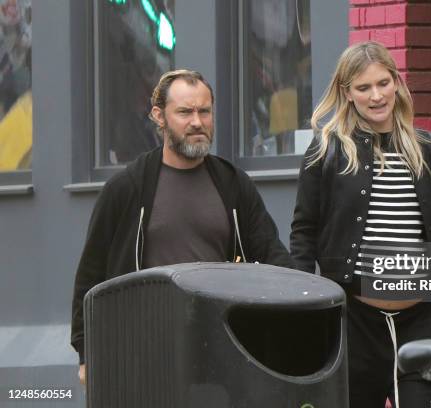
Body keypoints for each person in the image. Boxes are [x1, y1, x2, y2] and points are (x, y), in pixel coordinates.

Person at [290, 42, 431, 407]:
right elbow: (304, 233)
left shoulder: (429, 149)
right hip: (355, 323)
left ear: (396, 82)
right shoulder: (327, 151)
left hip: (419, 321)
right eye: (363, 88)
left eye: (383, 83)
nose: (376, 95)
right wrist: (302, 305)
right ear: (347, 93)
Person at [71, 69, 293, 385]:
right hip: (144, 349)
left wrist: (302, 299)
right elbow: (90, 275)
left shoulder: (233, 185)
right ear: (159, 116)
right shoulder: (127, 188)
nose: (197, 122)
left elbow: (271, 252)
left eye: (204, 111)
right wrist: (85, 353)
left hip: (221, 346)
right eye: (185, 112)